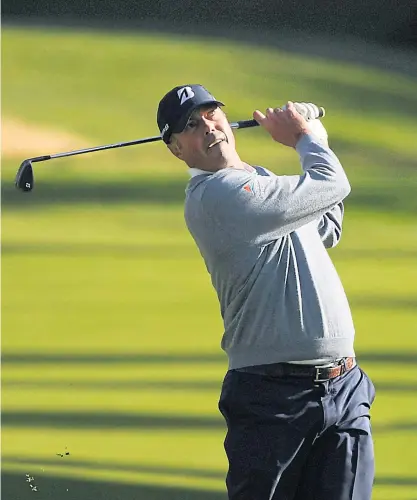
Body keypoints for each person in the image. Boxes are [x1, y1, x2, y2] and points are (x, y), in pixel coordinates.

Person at [157, 84, 376, 500]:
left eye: (211, 114)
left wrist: (315, 140)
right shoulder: (214, 196)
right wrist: (306, 138)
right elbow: (330, 185)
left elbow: (328, 226)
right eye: (190, 124)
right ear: (176, 150)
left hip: (344, 386)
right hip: (272, 397)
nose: (207, 126)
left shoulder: (263, 181)